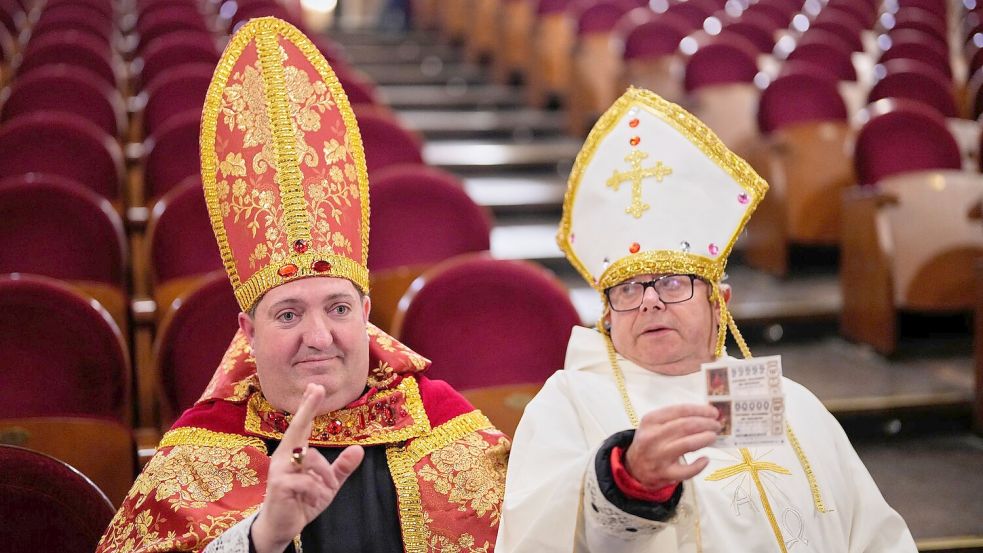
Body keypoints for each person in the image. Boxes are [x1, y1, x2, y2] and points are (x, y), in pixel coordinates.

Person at [97, 18, 509, 553]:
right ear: (247, 330)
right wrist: (259, 537)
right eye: (288, 314)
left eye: (337, 308)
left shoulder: (452, 437)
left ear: (366, 314)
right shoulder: (198, 461)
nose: (318, 336)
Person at [496, 88, 916, 552]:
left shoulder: (793, 404)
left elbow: (876, 534)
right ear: (609, 319)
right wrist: (629, 482)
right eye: (629, 290)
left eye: (674, 283)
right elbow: (539, 537)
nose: (650, 303)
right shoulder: (568, 403)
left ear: (721, 304)